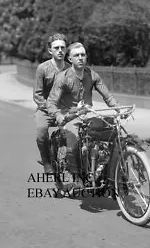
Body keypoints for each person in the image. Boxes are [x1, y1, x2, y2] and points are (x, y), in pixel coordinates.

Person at [46, 42, 119, 188]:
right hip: (69, 117)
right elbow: (51, 103)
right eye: (76, 55)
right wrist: (59, 116)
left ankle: (112, 173)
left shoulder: (92, 75)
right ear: (70, 59)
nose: (80, 58)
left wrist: (117, 108)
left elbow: (107, 96)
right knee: (74, 142)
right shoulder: (63, 77)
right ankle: (77, 177)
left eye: (83, 55)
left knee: (114, 130)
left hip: (88, 114)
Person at [33, 33, 71, 174]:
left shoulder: (70, 69)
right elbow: (37, 94)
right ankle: (47, 161)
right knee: (41, 133)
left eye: (63, 47)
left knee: (80, 133)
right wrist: (50, 110)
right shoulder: (42, 69)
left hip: (65, 110)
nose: (60, 50)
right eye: (56, 48)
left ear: (66, 50)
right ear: (50, 50)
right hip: (45, 110)